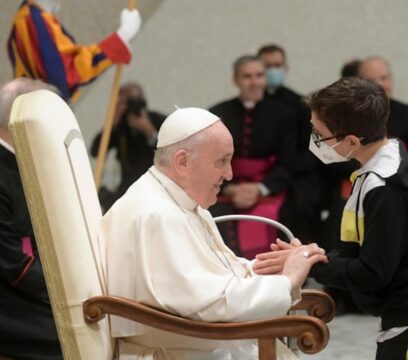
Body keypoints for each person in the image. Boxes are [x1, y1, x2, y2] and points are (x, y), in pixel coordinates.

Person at [254, 77, 408, 359]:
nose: (314, 141)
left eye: (319, 134)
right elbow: (363, 251)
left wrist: (310, 265)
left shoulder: (387, 188)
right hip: (406, 315)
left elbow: (373, 272)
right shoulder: (380, 163)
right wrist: (309, 255)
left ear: (352, 140)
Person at [101, 107, 326, 359]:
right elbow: (211, 305)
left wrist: (268, 268)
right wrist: (287, 281)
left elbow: (214, 280)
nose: (229, 174)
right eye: (222, 161)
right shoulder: (156, 216)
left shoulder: (179, 201)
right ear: (182, 161)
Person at [209, 55, 296, 258]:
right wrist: (229, 189)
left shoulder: (284, 114)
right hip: (226, 187)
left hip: (270, 187)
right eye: (247, 76)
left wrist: (259, 188)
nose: (254, 82)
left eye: (259, 76)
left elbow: (288, 161)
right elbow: (209, 160)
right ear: (236, 80)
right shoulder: (217, 113)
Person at [0, 78, 62, 359]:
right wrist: (71, 286)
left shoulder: (19, 164)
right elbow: (14, 264)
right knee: (76, 340)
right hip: (9, 301)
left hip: (23, 286)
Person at [7, 0, 141, 101]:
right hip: (41, 117)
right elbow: (67, 74)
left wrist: (120, 40)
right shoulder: (29, 20)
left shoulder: (39, 18)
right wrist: (121, 37)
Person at [257, 44, 324, 245]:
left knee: (301, 203)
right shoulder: (248, 105)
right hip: (258, 174)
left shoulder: (300, 104)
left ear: (285, 68)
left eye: (277, 65)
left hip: (294, 174)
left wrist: (282, 172)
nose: (272, 70)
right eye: (266, 66)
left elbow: (311, 149)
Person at [90, 82, 166, 210]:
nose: (131, 106)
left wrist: (149, 131)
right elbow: (95, 151)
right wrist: (112, 122)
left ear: (142, 101)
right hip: (127, 190)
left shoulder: (157, 120)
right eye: (125, 102)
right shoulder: (120, 127)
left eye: (133, 101)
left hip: (156, 190)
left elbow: (172, 153)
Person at [359, 56, 408, 165]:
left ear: (391, 79)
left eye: (384, 78)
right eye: (371, 80)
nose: (380, 85)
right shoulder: (351, 116)